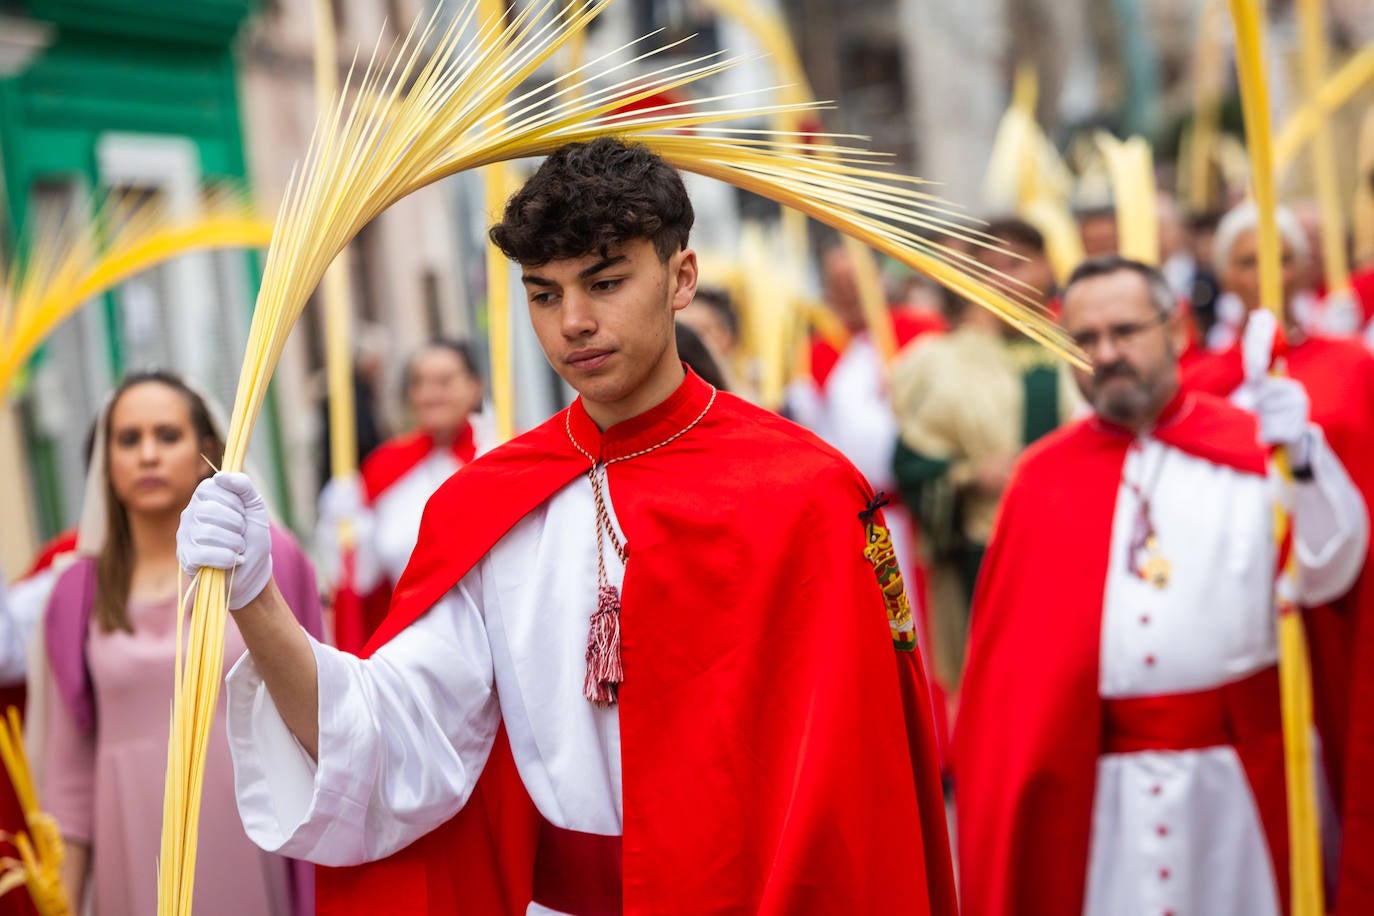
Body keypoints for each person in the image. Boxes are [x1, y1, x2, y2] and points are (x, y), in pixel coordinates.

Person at [177, 137, 957, 915]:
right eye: (543, 294)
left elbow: (856, 784)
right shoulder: (488, 501)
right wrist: (256, 598)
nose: (573, 322)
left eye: (605, 282)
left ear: (681, 278)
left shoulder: (806, 492)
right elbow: (394, 736)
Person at [955, 256, 1367, 916]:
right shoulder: (1039, 481)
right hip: (1100, 802)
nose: (1106, 353)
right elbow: (1008, 687)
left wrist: (1309, 459)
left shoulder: (1260, 446)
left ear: (1175, 331)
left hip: (1243, 789)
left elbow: (1333, 569)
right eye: (1083, 340)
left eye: (1125, 331)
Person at [39, 370, 323, 916]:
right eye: (128, 439)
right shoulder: (74, 593)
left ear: (205, 452)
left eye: (167, 436)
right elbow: (68, 773)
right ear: (106, 462)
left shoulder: (267, 559)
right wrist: (62, 901)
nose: (148, 454)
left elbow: (323, 708)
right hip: (133, 837)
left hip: (252, 825)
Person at [1183, 200, 1374, 913]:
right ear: (1222, 274)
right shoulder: (1202, 379)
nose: (1265, 273)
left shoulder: (1353, 364)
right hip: (1244, 600)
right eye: (1245, 258)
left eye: (1282, 256)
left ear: (1307, 268)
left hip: (1344, 594)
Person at [890, 218, 1077, 691]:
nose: (1007, 279)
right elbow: (910, 464)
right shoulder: (939, 362)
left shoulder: (1085, 344)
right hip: (991, 554)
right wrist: (968, 477)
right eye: (990, 268)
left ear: (1048, 267)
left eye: (1018, 263)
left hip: (1078, 543)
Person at [316, 338, 487, 653]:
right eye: (421, 383)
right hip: (419, 645)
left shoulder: (500, 453)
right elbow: (363, 579)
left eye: (445, 381)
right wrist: (346, 532)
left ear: (474, 387)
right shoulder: (383, 469)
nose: (431, 394)